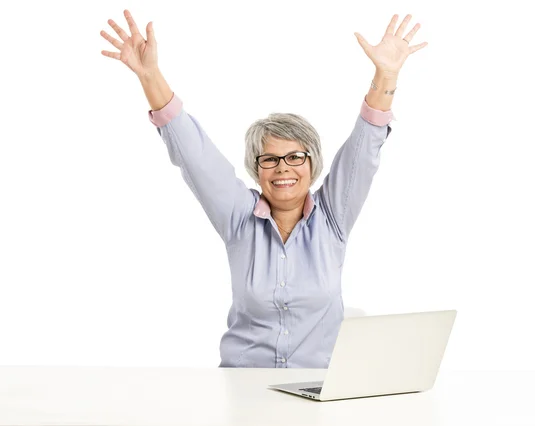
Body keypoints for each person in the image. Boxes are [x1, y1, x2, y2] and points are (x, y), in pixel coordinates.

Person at [100, 10, 427, 368]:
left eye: (295, 157)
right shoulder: (238, 218)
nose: (283, 168)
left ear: (313, 163)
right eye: (269, 159)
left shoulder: (333, 218)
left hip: (317, 390)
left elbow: (363, 150)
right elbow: (196, 157)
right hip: (241, 388)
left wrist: (386, 74)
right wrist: (150, 75)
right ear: (256, 170)